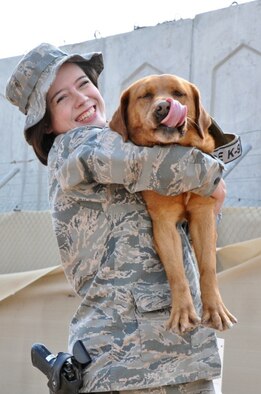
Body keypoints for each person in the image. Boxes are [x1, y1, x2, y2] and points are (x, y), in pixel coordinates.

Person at [6, 43, 227, 394]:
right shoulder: (77, 145)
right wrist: (213, 173)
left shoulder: (118, 146)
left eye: (83, 84)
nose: (81, 99)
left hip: (170, 357)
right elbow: (165, 168)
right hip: (138, 365)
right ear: (46, 124)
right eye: (61, 98)